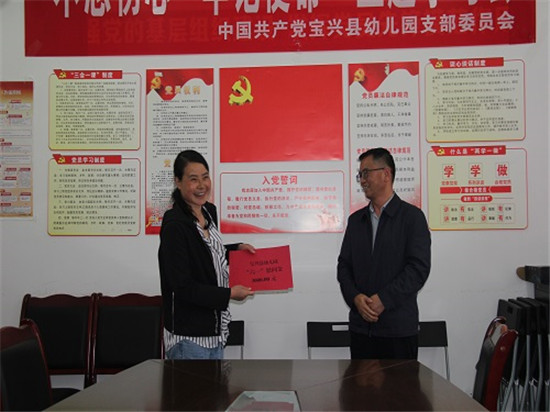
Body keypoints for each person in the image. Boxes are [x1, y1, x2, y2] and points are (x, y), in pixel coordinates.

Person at [158, 149, 255, 360]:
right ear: (178, 182)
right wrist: (228, 294)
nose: (202, 185)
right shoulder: (174, 225)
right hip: (189, 338)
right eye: (193, 179)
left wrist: (236, 249)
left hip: (214, 331)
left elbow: (207, 253)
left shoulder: (209, 211)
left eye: (205, 177)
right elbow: (182, 286)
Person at [337, 147, 431, 360]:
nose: (362, 180)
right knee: (359, 383)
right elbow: (344, 266)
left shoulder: (412, 218)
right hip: (361, 331)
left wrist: (384, 300)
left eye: (366, 173)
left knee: (401, 384)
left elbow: (418, 269)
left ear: (386, 174)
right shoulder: (356, 221)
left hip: (398, 331)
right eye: (360, 175)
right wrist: (355, 298)